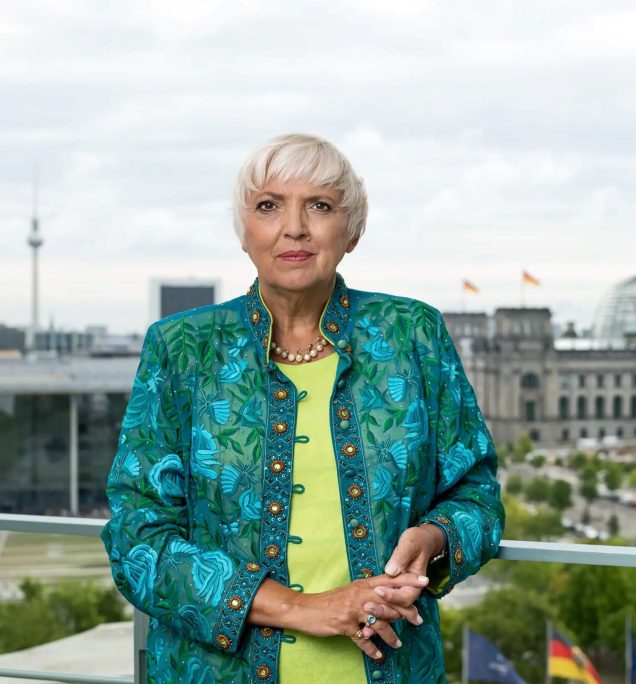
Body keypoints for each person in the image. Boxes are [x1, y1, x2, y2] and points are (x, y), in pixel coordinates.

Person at [101, 133, 505, 683]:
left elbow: (478, 495)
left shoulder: (414, 334)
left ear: (352, 232)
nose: (294, 227)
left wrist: (435, 540)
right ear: (246, 231)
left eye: (320, 205)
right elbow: (136, 540)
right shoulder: (182, 349)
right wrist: (306, 609)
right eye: (269, 206)